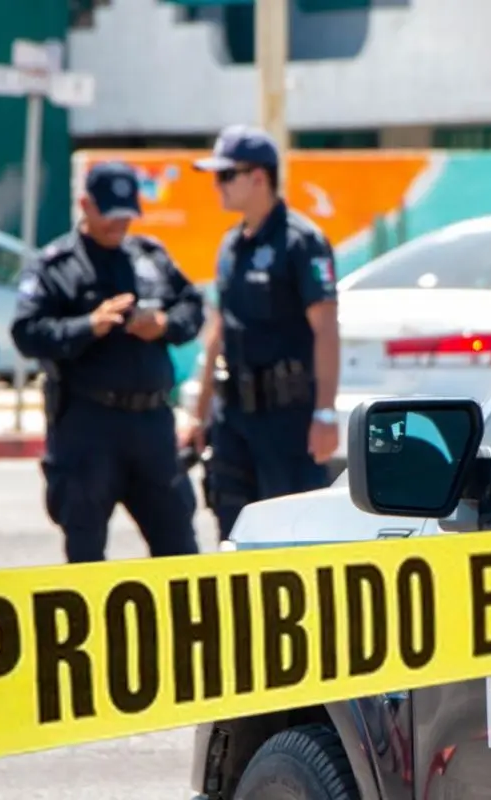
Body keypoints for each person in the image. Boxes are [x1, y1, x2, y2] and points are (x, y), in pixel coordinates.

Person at [11, 160, 204, 563]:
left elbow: (193, 308)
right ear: (85, 205)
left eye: (126, 215)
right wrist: (89, 326)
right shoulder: (57, 266)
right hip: (88, 427)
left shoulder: (149, 257)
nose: (119, 225)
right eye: (109, 214)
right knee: (85, 552)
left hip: (152, 426)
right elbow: (27, 332)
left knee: (180, 552)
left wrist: (164, 323)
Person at [181, 124, 341, 540]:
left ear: (258, 178)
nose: (217, 186)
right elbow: (220, 328)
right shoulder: (231, 245)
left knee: (294, 536)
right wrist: (198, 411)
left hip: (286, 420)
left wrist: (325, 413)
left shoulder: (301, 242)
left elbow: (325, 329)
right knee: (233, 535)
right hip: (233, 418)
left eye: (225, 175)